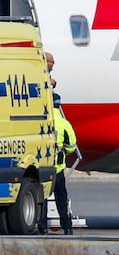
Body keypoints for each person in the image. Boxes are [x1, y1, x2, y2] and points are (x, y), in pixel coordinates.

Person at [41, 52, 78, 234]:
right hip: (58, 167)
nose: (53, 66)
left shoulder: (41, 121)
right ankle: (67, 227)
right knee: (61, 198)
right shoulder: (64, 123)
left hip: (42, 165)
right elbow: (72, 145)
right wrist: (64, 151)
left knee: (41, 197)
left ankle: (40, 228)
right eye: (52, 63)